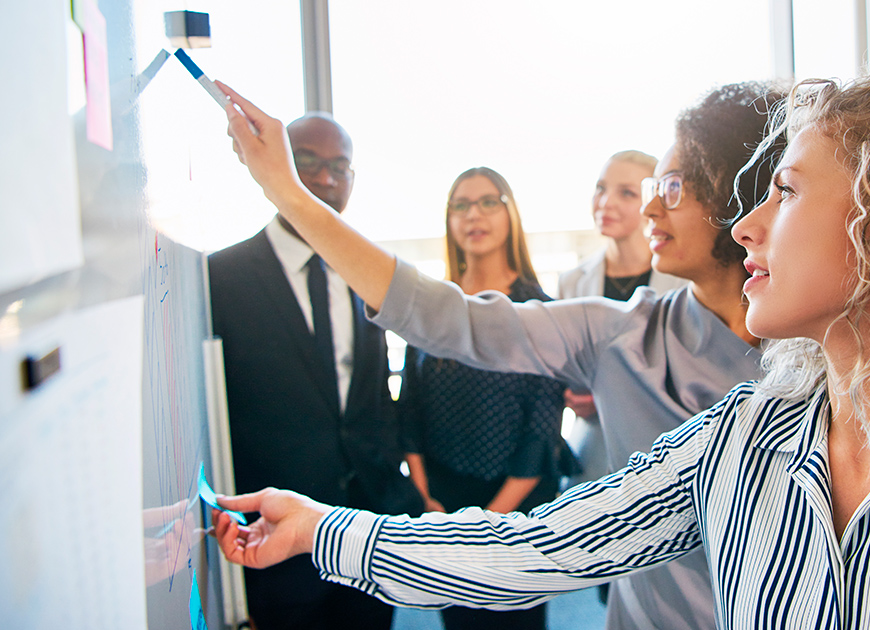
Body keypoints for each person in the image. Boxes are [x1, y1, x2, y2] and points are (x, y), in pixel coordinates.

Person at [213, 70, 870, 627]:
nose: (749, 225)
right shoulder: (744, 437)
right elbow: (546, 547)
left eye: (789, 191)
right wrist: (324, 529)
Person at [215, 77, 788, 630]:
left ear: (737, 197)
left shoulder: (817, 365)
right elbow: (445, 318)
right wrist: (288, 194)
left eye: (672, 188)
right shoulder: (618, 333)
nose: (649, 210)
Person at [208, 112, 422, 630]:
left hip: (366, 535)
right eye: (307, 162)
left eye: (339, 166)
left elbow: (371, 396)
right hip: (273, 541)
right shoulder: (219, 278)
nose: (326, 178)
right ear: (278, 165)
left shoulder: (365, 271)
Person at [398, 166, 568, 630]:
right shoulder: (432, 306)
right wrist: (426, 500)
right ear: (449, 220)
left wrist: (486, 525)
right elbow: (409, 407)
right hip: (444, 504)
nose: (474, 214)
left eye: (488, 201)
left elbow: (541, 432)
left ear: (510, 212)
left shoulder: (543, 309)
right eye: (461, 204)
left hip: (519, 510)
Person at [558, 150, 686, 494]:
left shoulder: (683, 280)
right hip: (591, 456)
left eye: (626, 193)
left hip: (665, 456)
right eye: (600, 188)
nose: (605, 202)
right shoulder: (571, 281)